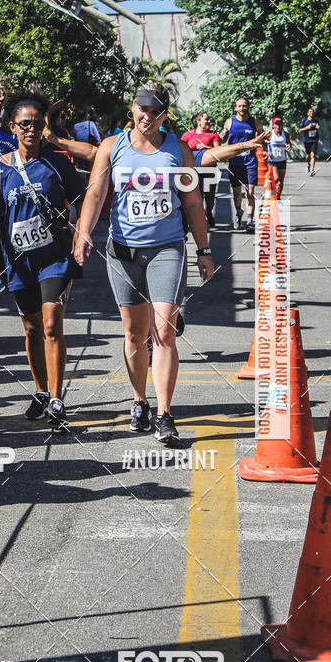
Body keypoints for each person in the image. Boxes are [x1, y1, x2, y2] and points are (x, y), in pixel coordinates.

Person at [74, 81, 214, 444]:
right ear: (132, 107)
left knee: (164, 330)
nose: (147, 117)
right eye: (142, 109)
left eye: (155, 111)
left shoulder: (178, 150)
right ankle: (140, 401)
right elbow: (95, 193)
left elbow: (193, 202)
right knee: (134, 332)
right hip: (123, 252)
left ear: (164, 115)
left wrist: (203, 250)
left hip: (167, 249)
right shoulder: (111, 147)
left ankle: (165, 414)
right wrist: (84, 232)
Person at [0, 91, 86, 431]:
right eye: (24, 124)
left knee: (52, 325)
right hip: (19, 261)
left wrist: (80, 232)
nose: (31, 130)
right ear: (12, 127)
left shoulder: (58, 163)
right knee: (32, 328)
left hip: (54, 258)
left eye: (37, 124)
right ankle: (40, 391)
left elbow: (84, 198)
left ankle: (56, 398)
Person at [220, 96, 264, 232]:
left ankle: (250, 221)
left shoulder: (255, 122)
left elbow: (263, 137)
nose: (242, 108)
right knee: (237, 193)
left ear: (248, 107)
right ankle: (239, 212)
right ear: (235, 108)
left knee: (250, 191)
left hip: (250, 162)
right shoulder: (229, 122)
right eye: (239, 106)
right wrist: (219, 137)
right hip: (235, 162)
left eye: (244, 105)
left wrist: (266, 150)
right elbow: (223, 138)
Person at [181, 111, 221, 227]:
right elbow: (180, 148)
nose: (209, 121)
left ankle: (208, 212)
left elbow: (219, 152)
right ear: (198, 121)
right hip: (193, 171)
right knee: (197, 197)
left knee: (210, 198)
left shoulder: (213, 134)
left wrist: (206, 147)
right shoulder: (188, 134)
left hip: (209, 171)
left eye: (209, 119)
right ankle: (199, 219)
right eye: (206, 119)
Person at [267, 116, 291, 197]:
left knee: (281, 181)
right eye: (276, 124)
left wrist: (289, 145)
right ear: (273, 125)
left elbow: (288, 143)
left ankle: (278, 196)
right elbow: (264, 142)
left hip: (282, 159)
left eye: (280, 124)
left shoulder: (286, 134)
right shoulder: (270, 134)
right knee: (276, 178)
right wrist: (267, 151)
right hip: (273, 160)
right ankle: (270, 193)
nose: (278, 126)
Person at [299, 107, 320, 175]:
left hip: (314, 140)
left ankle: (312, 170)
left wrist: (318, 128)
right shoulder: (304, 121)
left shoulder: (316, 121)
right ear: (307, 113)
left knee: (313, 155)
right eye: (310, 111)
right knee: (307, 156)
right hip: (307, 140)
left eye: (312, 111)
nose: (311, 113)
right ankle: (308, 164)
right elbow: (300, 130)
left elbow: (318, 127)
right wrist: (307, 128)